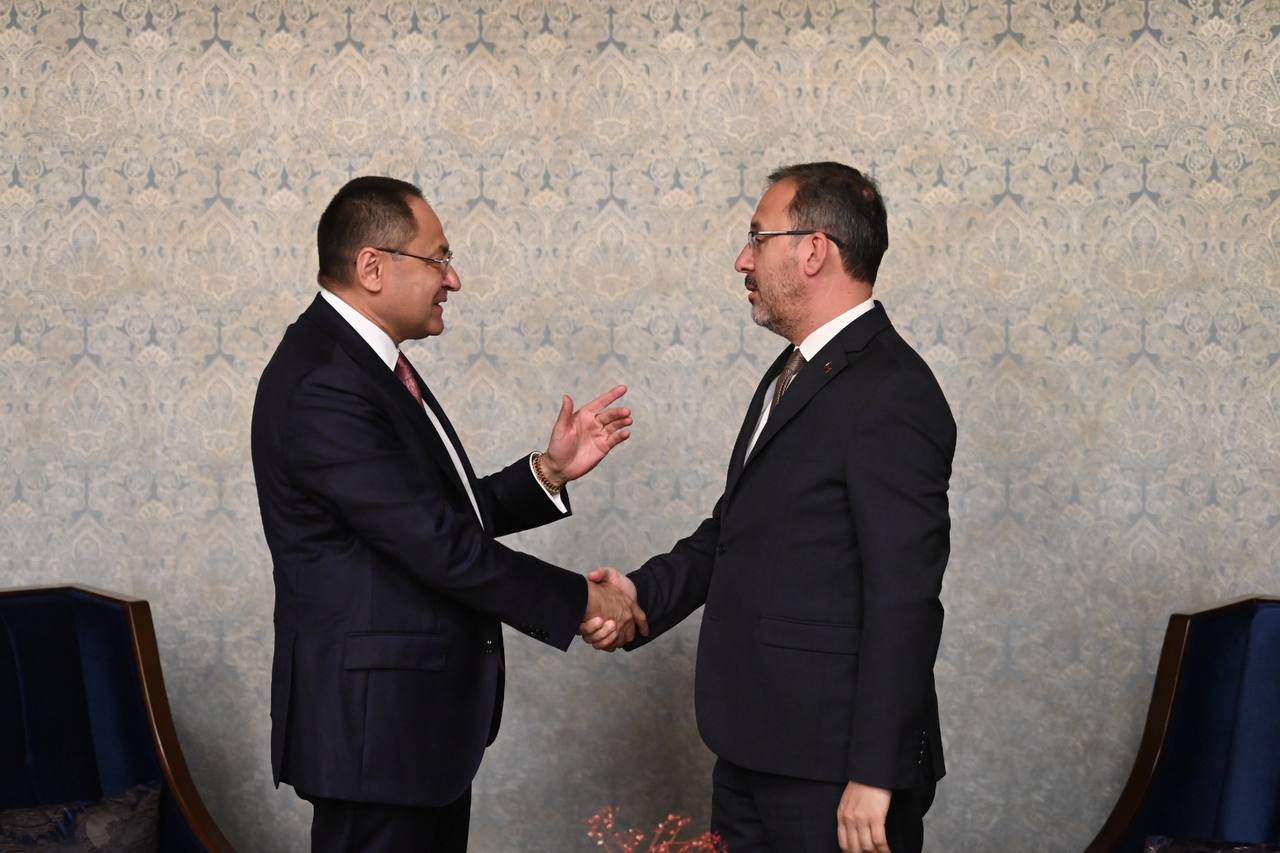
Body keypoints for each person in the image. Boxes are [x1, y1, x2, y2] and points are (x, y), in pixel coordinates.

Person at [251, 176, 647, 852]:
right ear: (373, 267)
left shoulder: (363, 364)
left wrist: (547, 472)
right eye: (438, 259)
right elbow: (438, 545)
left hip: (407, 734)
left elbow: (428, 519)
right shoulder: (326, 381)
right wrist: (583, 600)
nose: (453, 279)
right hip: (374, 735)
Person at [583, 162, 956, 853]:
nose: (742, 260)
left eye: (758, 238)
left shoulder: (893, 391)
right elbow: (736, 531)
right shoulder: (792, 372)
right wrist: (639, 595)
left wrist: (874, 773)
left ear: (814, 250)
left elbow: (905, 596)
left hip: (835, 771)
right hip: (754, 748)